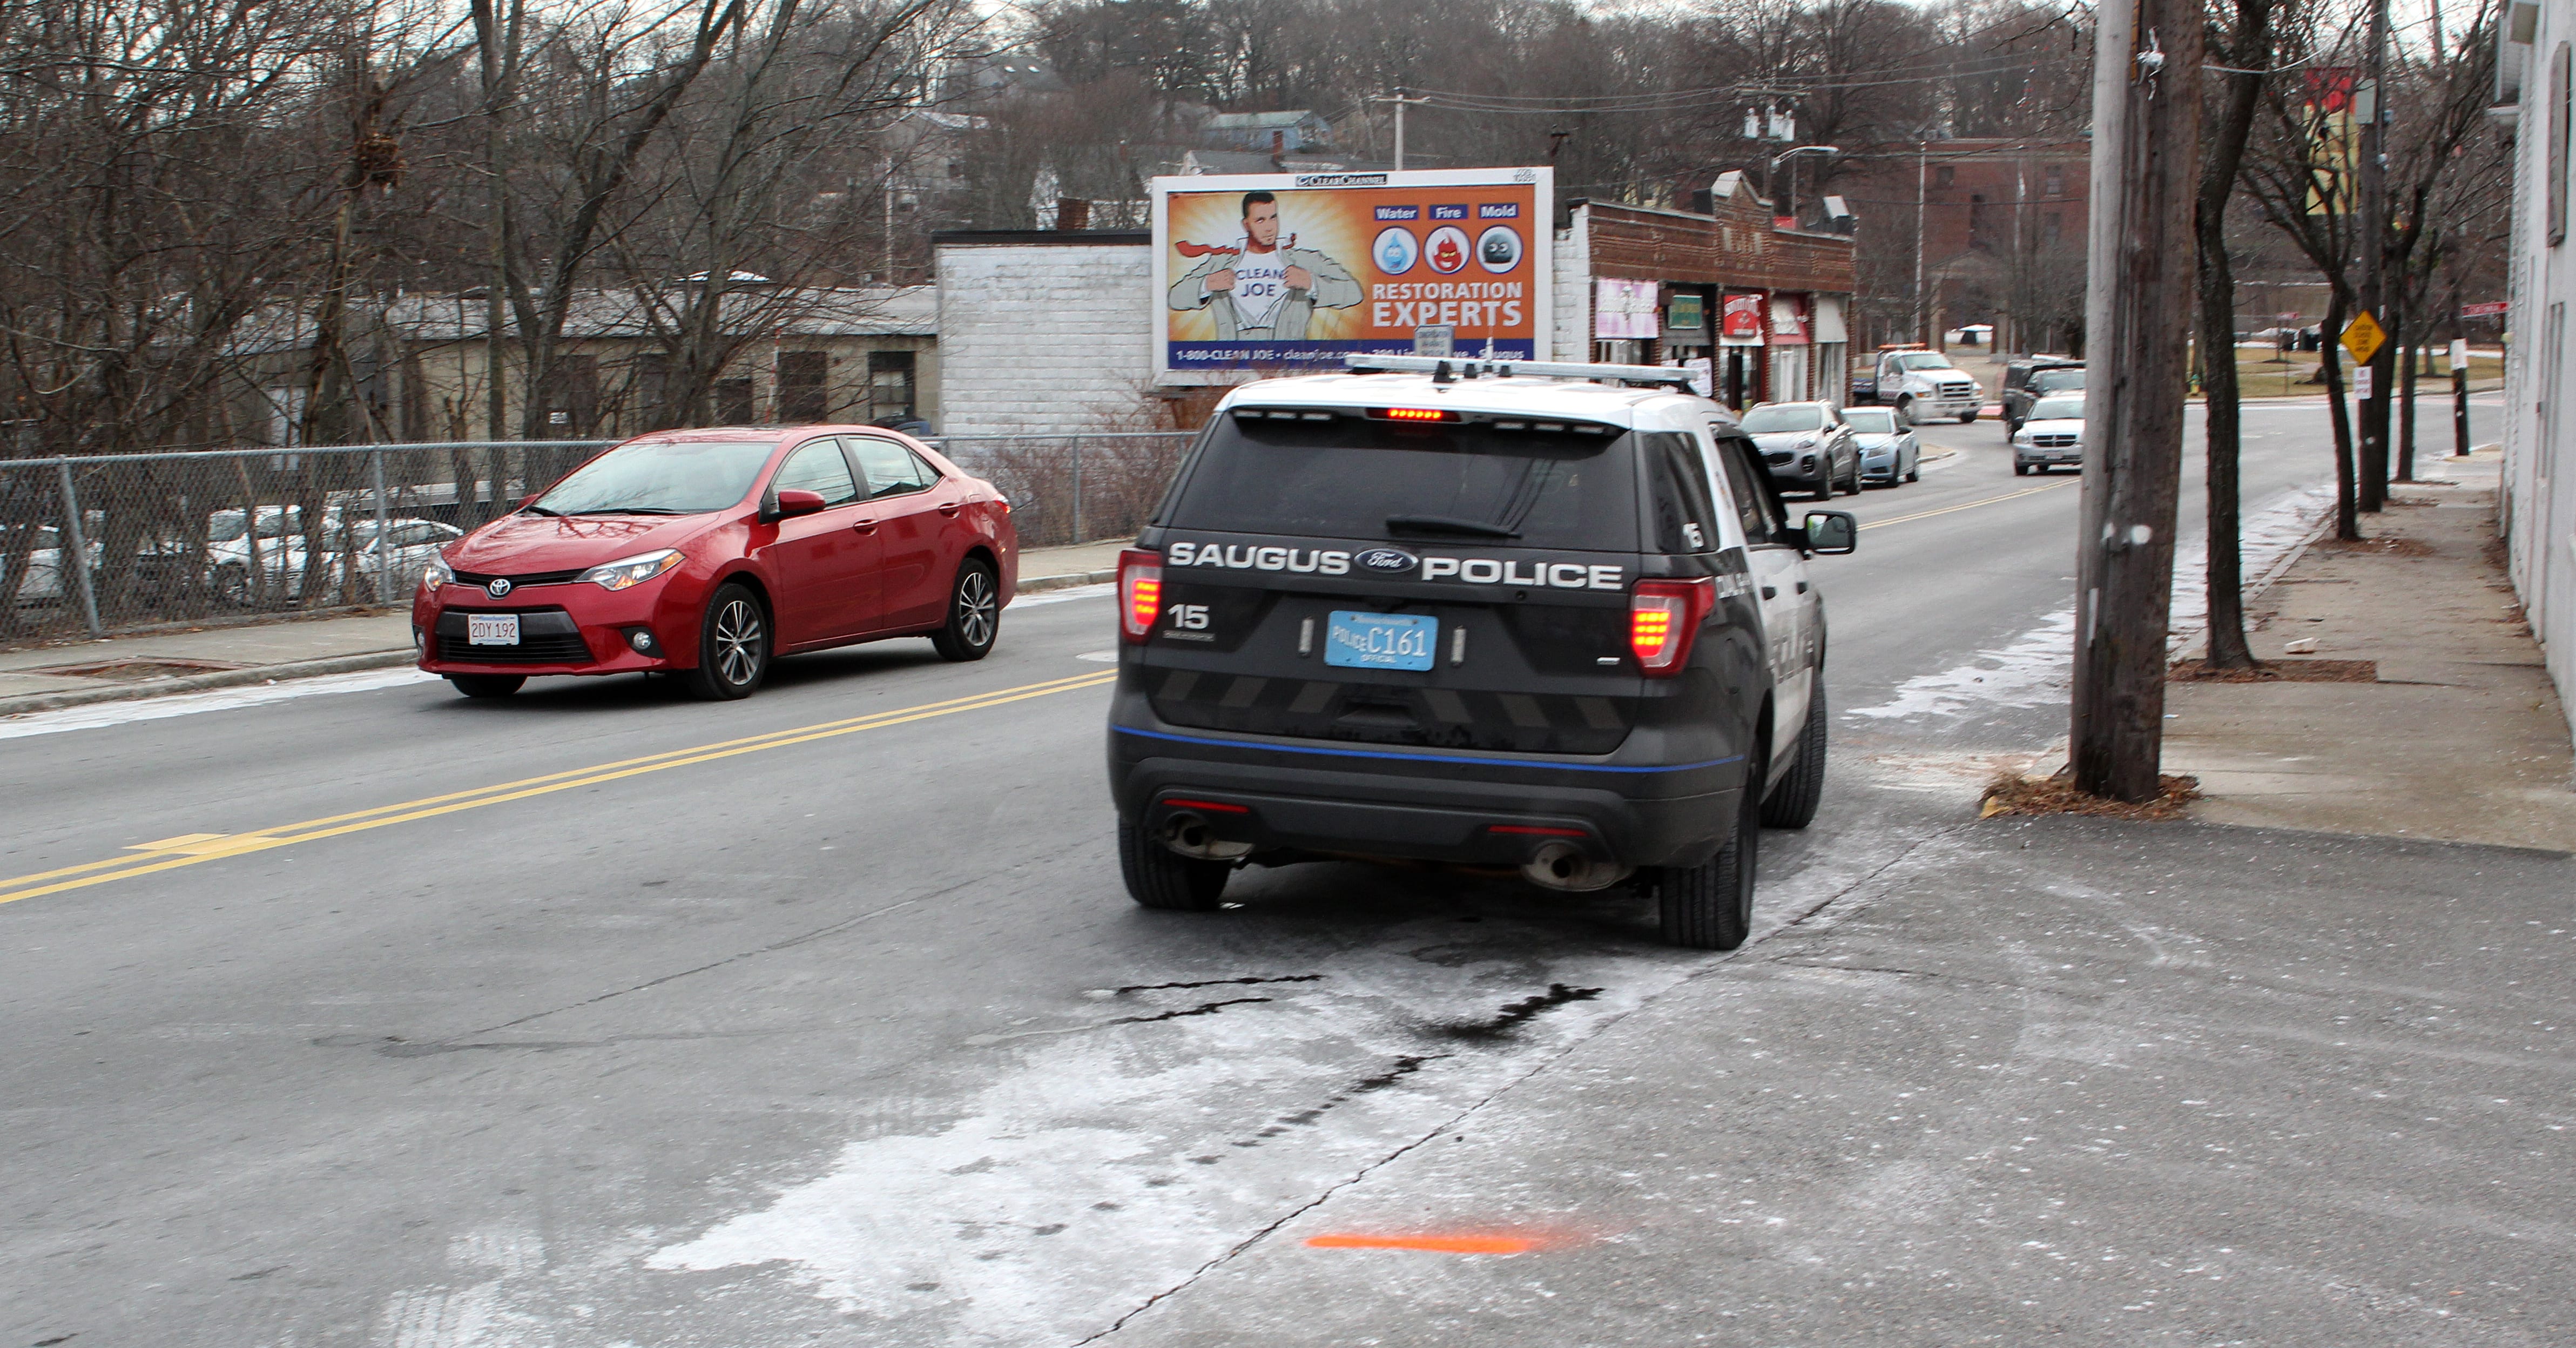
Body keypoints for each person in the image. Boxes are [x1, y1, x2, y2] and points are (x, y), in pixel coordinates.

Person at [1168, 191, 1360, 342]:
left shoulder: (1304, 259)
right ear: (1246, 224)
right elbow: (1175, 298)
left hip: (1289, 359)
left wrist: (1312, 283)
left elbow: (1354, 292)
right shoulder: (1222, 261)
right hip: (1231, 360)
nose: (1269, 228)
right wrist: (1207, 284)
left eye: (1273, 218)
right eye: (1260, 220)